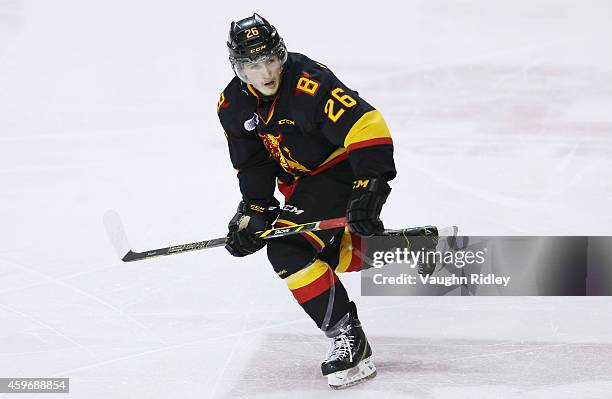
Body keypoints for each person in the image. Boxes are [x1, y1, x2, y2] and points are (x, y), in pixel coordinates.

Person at [217, 13, 396, 389]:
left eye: (269, 59)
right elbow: (252, 162)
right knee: (314, 255)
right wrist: (254, 211)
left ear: (280, 55)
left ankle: (350, 339)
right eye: (252, 64)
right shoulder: (233, 105)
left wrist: (370, 185)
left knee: (287, 249)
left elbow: (368, 125)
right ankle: (406, 252)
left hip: (340, 170)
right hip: (300, 183)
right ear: (238, 68)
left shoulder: (310, 85)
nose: (264, 72)